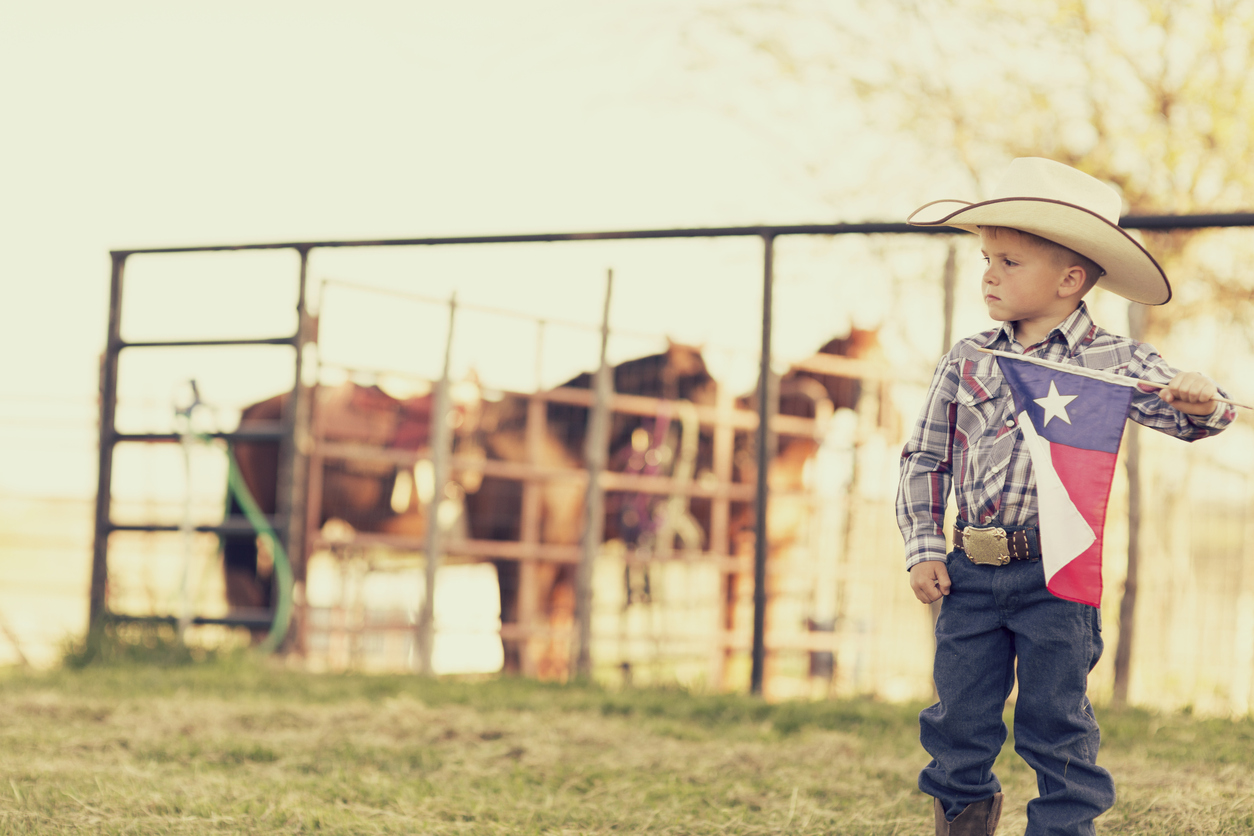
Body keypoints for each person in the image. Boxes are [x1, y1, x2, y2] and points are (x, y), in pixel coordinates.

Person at [898, 157, 1236, 836]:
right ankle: (961, 820)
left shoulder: (1113, 360)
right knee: (958, 720)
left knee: (1055, 722)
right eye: (987, 258)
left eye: (1010, 261)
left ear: (1070, 279)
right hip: (968, 572)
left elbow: (1196, 415)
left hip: (1057, 574)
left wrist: (1202, 398)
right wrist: (924, 548)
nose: (989, 274)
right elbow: (925, 458)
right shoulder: (967, 358)